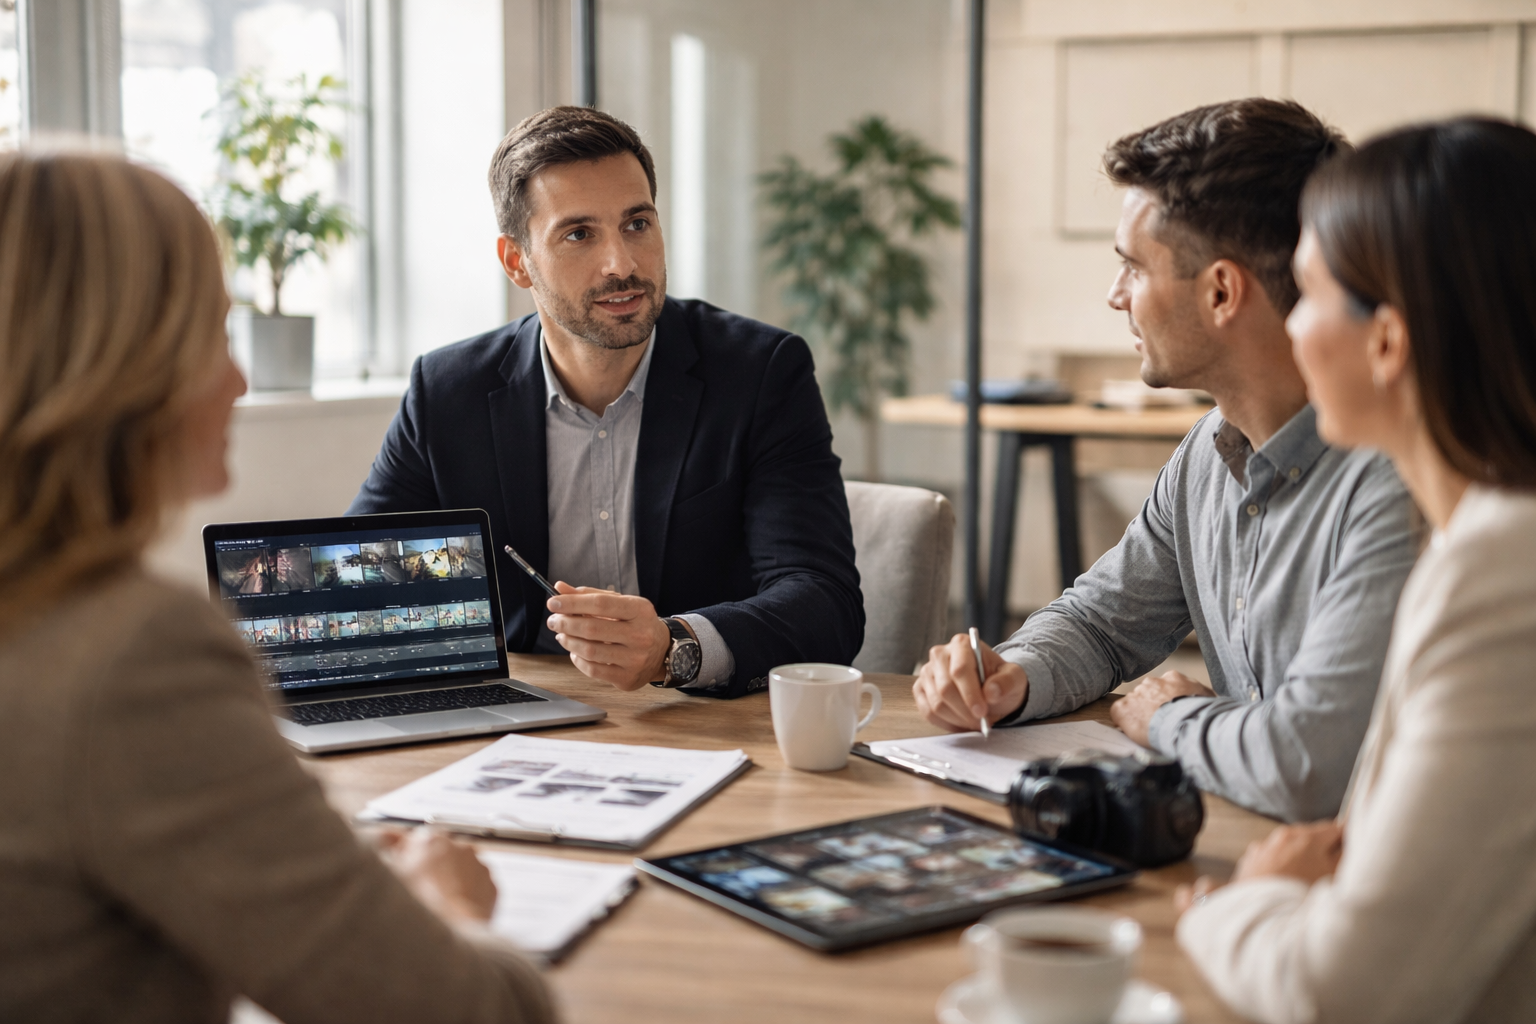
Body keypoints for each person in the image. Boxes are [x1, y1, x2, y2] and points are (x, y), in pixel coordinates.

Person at [0, 152, 556, 1023]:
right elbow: (477, 1011)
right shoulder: (133, 658)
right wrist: (441, 904)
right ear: (119, 365)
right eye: (215, 333)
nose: (240, 377)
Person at [914, 99, 1425, 822]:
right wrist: (1013, 676)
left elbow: (1309, 765)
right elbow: (1102, 623)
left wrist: (1169, 718)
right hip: (1244, 850)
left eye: (1132, 267)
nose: (1114, 295)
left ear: (1221, 291)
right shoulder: (1206, 452)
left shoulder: (1394, 479)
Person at [1176, 116, 1536, 1024]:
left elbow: (1343, 994)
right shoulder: (1481, 541)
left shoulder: (1505, 574)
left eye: (1307, 295)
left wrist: (1245, 899)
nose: (1289, 327)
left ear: (1388, 342)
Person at [349, 105, 862, 698]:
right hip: (520, 727)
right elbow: (363, 587)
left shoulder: (759, 373)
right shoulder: (447, 391)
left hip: (701, 723)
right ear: (518, 261)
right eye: (578, 234)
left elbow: (825, 603)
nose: (621, 264)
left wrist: (677, 647)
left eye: (637, 224)